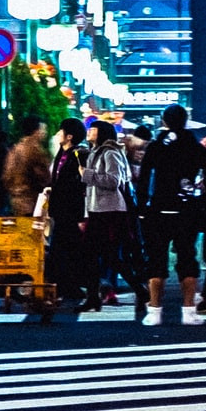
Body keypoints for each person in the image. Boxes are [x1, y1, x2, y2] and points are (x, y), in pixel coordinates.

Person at [137, 105, 206, 326]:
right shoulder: (194, 146)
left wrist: (142, 208)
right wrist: (200, 186)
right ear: (186, 121)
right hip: (187, 208)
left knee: (156, 259)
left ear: (164, 122)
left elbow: (144, 180)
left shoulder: (155, 147)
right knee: (187, 258)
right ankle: (188, 311)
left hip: (158, 208)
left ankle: (154, 311)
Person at [80, 120, 144, 311]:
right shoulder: (96, 152)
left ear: (102, 133)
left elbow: (113, 181)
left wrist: (86, 174)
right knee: (94, 255)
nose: (89, 132)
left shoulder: (110, 153)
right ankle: (93, 297)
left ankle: (140, 291)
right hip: (97, 210)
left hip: (111, 212)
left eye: (93, 129)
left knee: (110, 257)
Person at [48, 118, 91, 304]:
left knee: (69, 249)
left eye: (60, 131)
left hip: (71, 211)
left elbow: (82, 187)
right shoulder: (61, 154)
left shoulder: (78, 155)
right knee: (60, 248)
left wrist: (81, 215)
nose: (57, 134)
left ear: (69, 136)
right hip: (60, 209)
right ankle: (64, 286)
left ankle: (71, 287)